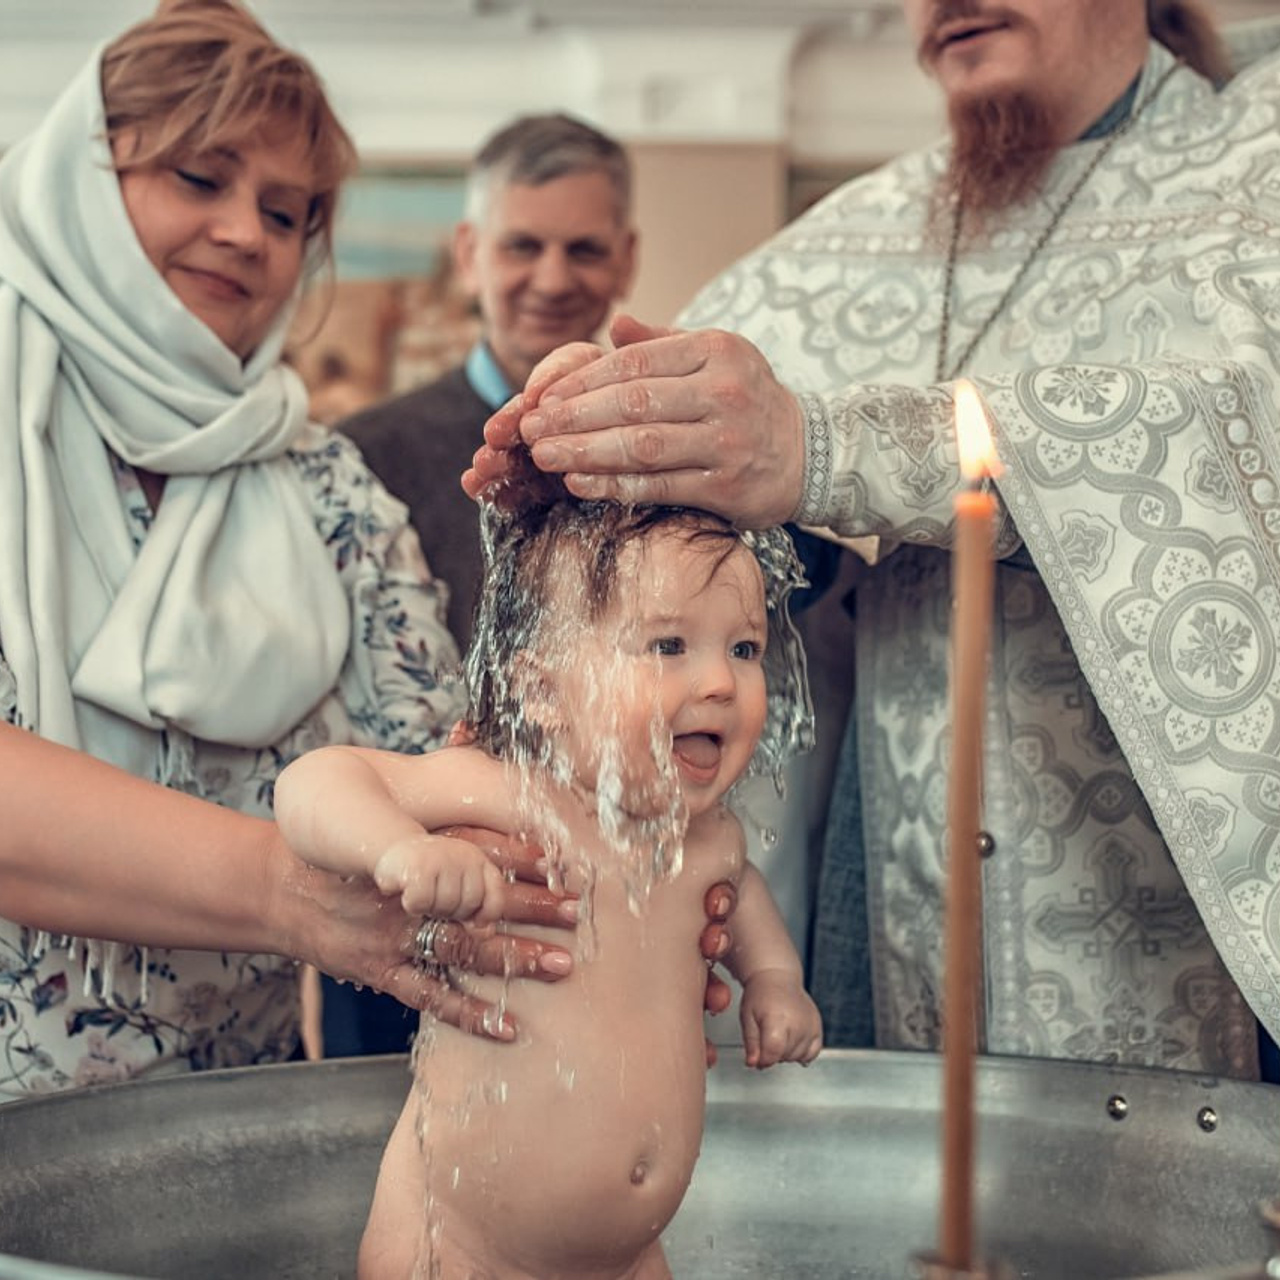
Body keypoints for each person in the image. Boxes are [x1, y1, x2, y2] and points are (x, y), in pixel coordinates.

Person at [466, 0, 1280, 1080]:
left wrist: (826, 443)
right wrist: (597, 465)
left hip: (1154, 940)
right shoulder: (849, 238)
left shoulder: (1251, 178)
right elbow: (696, 533)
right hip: (865, 891)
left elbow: (1229, 420)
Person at [0, 0, 606, 1102]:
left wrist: (602, 848)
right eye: (199, 178)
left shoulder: (317, 479)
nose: (246, 231)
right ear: (80, 182)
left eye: (287, 213)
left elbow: (432, 756)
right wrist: (282, 889)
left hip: (236, 1113)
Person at [275, 499, 822, 1280]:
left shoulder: (709, 837)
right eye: (668, 644)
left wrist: (776, 981)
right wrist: (396, 850)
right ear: (540, 692)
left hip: (630, 1256)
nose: (720, 682)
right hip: (460, 1245)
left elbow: (744, 905)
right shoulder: (509, 794)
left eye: (744, 647)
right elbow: (315, 782)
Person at [338, 112, 637, 648]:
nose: (552, 280)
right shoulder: (366, 457)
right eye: (523, 246)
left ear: (626, 261)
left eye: (584, 250)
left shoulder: (656, 452)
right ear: (468, 256)